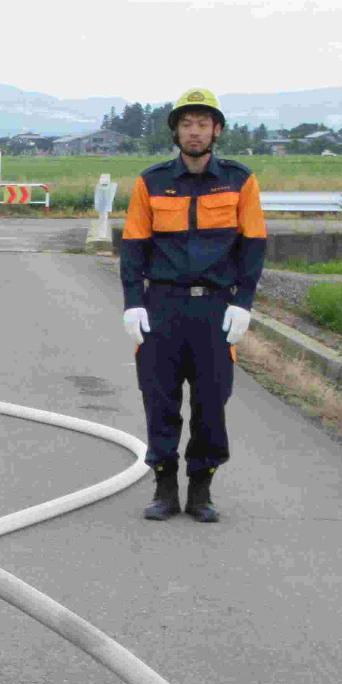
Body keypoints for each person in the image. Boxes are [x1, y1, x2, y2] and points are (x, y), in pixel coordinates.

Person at [119, 89, 267, 523]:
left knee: (211, 403)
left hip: (215, 310)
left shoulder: (240, 181)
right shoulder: (151, 182)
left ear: (216, 130)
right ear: (176, 132)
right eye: (187, 124)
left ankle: (201, 490)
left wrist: (243, 303)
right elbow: (134, 246)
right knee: (159, 401)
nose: (195, 132)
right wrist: (133, 303)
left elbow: (253, 245)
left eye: (203, 124)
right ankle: (165, 488)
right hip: (162, 309)